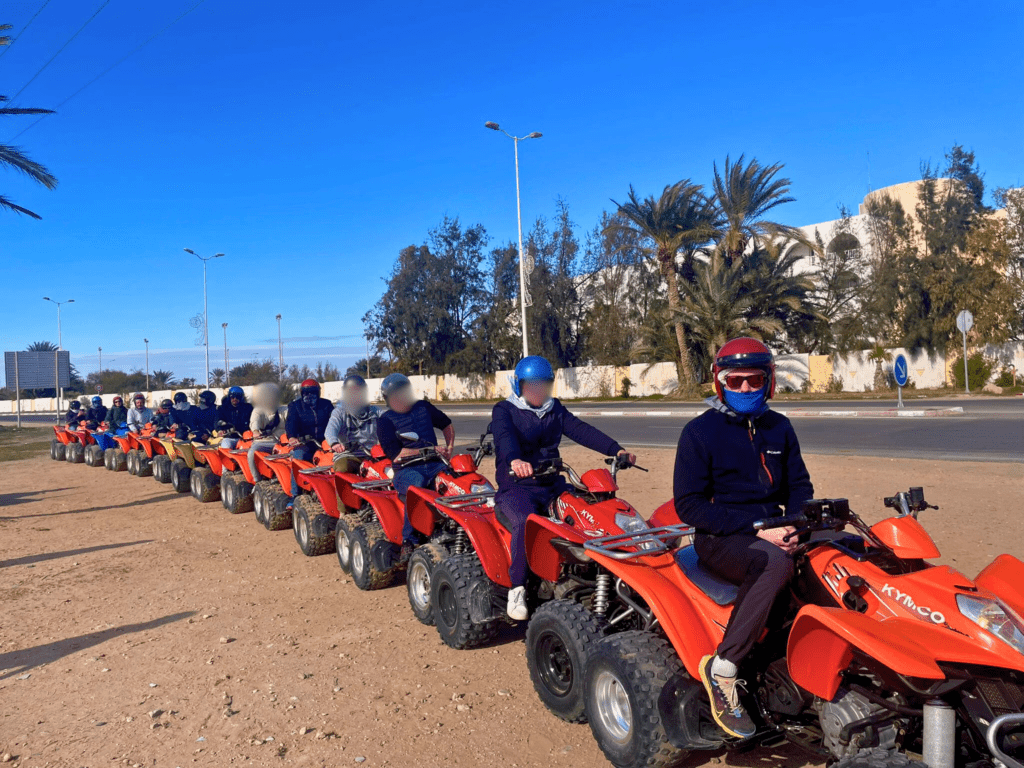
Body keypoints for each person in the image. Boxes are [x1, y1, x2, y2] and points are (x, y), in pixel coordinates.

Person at [673, 337, 813, 740]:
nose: (746, 390)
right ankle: (724, 668)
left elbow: (800, 487)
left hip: (775, 529)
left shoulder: (779, 427)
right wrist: (761, 526)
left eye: (755, 381)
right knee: (774, 562)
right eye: (737, 382)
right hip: (721, 537)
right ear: (721, 383)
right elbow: (691, 507)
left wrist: (799, 524)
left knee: (839, 552)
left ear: (769, 382)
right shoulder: (699, 433)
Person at [492, 355, 635, 621]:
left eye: (543, 385)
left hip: (552, 485)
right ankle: (518, 588)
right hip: (517, 487)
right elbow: (504, 437)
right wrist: (515, 459)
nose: (538, 391)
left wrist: (616, 449)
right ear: (519, 385)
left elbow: (581, 430)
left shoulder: (554, 408)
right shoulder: (505, 410)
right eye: (531, 385)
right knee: (525, 521)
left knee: (590, 510)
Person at [376, 373, 455, 560]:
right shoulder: (385, 421)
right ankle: (408, 541)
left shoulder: (423, 407)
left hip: (435, 464)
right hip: (406, 470)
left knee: (457, 482)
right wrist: (428, 450)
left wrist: (449, 448)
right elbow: (396, 455)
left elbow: (446, 424)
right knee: (416, 487)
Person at [283, 379, 333, 502]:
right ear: (302, 393)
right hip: (304, 443)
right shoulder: (295, 406)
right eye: (306, 393)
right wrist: (292, 437)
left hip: (324, 442)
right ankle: (294, 495)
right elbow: (290, 423)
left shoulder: (327, 405)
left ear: (318, 393)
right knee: (298, 458)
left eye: (313, 392)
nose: (310, 395)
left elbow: (335, 421)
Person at [325, 374, 381, 473]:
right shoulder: (340, 412)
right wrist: (335, 443)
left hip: (373, 456)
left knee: (392, 470)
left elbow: (390, 421)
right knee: (343, 469)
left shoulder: (375, 411)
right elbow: (330, 430)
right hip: (348, 455)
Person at [248, 382, 283, 479]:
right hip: (264, 442)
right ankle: (257, 479)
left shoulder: (283, 410)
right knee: (251, 453)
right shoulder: (258, 410)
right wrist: (255, 431)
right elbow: (254, 421)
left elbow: (292, 420)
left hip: (282, 443)